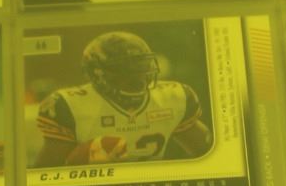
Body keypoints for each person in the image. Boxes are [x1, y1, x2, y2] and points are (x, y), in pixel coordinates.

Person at [32, 30, 210, 166]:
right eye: (125, 69)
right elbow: (45, 172)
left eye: (141, 66)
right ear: (97, 74)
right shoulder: (70, 106)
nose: (137, 76)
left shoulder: (173, 98)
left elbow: (206, 152)